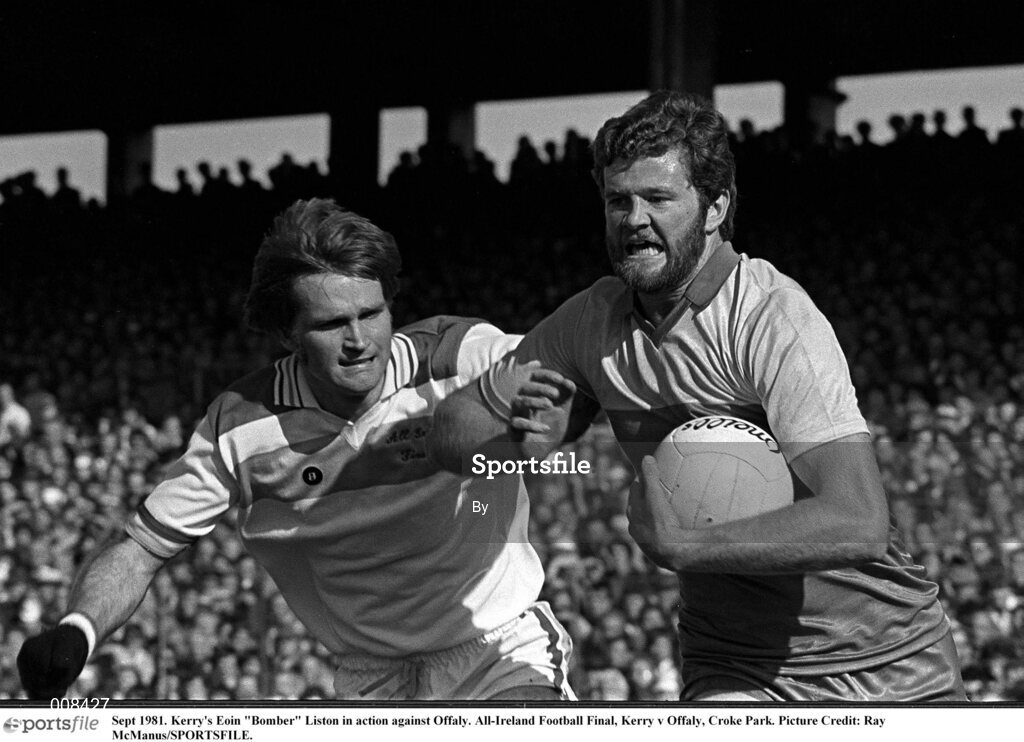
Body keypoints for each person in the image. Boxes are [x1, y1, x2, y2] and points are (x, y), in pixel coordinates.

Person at [428, 91, 966, 702]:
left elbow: (859, 521)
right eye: (616, 200)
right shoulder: (590, 321)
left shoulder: (769, 315)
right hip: (733, 662)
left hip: (886, 659)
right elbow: (451, 438)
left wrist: (683, 547)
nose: (632, 219)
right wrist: (511, 432)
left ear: (715, 207)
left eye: (658, 198)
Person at [17, 198, 574, 702]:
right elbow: (139, 547)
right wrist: (78, 629)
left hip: (500, 649)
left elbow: (564, 364)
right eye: (333, 324)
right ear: (288, 334)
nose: (359, 341)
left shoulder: (462, 357)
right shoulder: (239, 427)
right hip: (371, 679)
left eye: (371, 314)